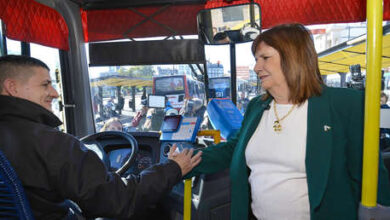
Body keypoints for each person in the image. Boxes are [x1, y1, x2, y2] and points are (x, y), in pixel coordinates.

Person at [186, 23, 390, 220]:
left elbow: (369, 173)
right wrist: (185, 162)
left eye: (265, 58)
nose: (257, 67)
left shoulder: (344, 105)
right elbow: (234, 149)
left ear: (293, 58)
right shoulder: (257, 106)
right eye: (256, 59)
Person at [0, 55, 202, 219]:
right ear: (12, 87)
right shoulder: (51, 143)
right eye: (45, 85)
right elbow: (119, 200)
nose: (54, 93)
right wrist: (173, 168)